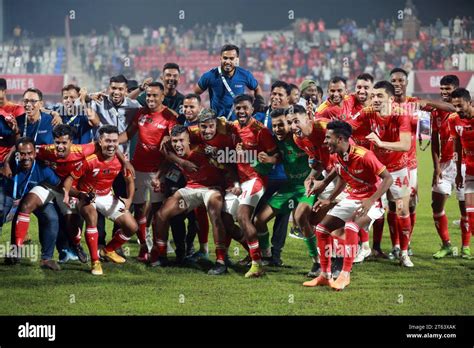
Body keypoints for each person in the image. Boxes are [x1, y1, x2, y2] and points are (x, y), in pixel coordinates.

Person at [305, 120, 392, 290]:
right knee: (322, 229)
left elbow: (388, 179)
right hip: (354, 197)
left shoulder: (364, 155)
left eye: (328, 137)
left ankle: (345, 274)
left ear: (339, 139)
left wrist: (371, 200)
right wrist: (329, 198)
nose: (324, 141)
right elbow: (341, 173)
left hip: (373, 200)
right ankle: (325, 274)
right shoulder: (338, 154)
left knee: (351, 228)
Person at [149, 125, 229, 275]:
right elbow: (167, 157)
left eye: (181, 141)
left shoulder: (203, 150)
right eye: (174, 141)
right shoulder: (172, 150)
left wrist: (229, 184)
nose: (178, 144)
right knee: (161, 215)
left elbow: (226, 165)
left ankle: (221, 261)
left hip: (211, 188)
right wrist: (158, 177)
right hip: (191, 188)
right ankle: (161, 255)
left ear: (188, 140)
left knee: (214, 216)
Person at [349, 81, 413, 267]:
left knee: (401, 210)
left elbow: (406, 145)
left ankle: (403, 252)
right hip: (376, 169)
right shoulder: (367, 112)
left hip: (398, 168)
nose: (374, 99)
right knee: (365, 207)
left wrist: (381, 143)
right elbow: (347, 127)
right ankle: (366, 247)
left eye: (380, 96)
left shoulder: (401, 115)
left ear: (391, 99)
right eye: (373, 96)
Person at [63, 125, 138, 275]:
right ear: (100, 141)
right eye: (107, 141)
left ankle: (108, 250)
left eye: (115, 141)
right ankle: (95, 261)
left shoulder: (121, 160)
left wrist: (129, 200)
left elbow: (130, 180)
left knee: (132, 227)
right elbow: (69, 180)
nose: (111, 145)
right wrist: (72, 194)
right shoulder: (89, 160)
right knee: (92, 217)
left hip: (107, 195)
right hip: (86, 195)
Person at [118, 82, 177, 262]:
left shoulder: (170, 116)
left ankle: (160, 251)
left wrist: (161, 174)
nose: (150, 99)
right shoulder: (141, 112)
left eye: (154, 96)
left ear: (162, 97)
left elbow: (174, 147)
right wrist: (111, 141)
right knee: (140, 210)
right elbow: (128, 134)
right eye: (148, 95)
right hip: (138, 168)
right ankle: (145, 247)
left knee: (159, 214)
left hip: (158, 172)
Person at [225, 94, 277, 277]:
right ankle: (252, 252)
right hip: (240, 181)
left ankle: (257, 265)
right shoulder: (232, 128)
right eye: (238, 108)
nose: (241, 111)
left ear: (252, 109)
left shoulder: (260, 130)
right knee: (225, 218)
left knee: (242, 216)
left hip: (256, 179)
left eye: (245, 108)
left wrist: (265, 158)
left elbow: (275, 156)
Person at [254, 108, 313, 267]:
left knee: (306, 221)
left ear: (290, 123)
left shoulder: (301, 138)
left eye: (281, 125)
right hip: (290, 187)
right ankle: (267, 255)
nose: (277, 129)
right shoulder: (276, 141)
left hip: (309, 186)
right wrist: (263, 161)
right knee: (259, 220)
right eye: (274, 126)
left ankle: (318, 262)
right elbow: (277, 158)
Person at [5, 137, 62, 271]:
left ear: (35, 153)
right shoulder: (10, 167)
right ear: (17, 154)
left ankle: (46, 258)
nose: (26, 157)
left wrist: (76, 195)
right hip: (14, 202)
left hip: (37, 200)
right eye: (22, 154)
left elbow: (59, 185)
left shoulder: (43, 168)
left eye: (29, 153)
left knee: (52, 218)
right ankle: (15, 252)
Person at [431, 75, 468, 259]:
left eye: (448, 89)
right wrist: (436, 167)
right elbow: (434, 142)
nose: (444, 92)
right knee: (436, 206)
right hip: (444, 165)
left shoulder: (464, 109)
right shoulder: (436, 112)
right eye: (442, 89)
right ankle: (446, 245)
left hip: (463, 165)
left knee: (465, 209)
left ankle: (466, 247)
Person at [194, 44, 264, 120]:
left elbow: (257, 88)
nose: (227, 61)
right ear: (220, 58)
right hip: (217, 123)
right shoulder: (210, 75)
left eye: (231, 58)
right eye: (225, 58)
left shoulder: (244, 75)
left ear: (237, 59)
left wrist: (259, 101)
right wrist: (200, 110)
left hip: (238, 122)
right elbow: (195, 93)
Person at [449, 88, 473, 259]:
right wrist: (458, 172)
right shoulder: (454, 120)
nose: (457, 109)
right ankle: (466, 247)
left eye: (460, 105)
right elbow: (457, 147)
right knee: (470, 215)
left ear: (470, 103)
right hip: (469, 171)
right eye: (454, 106)